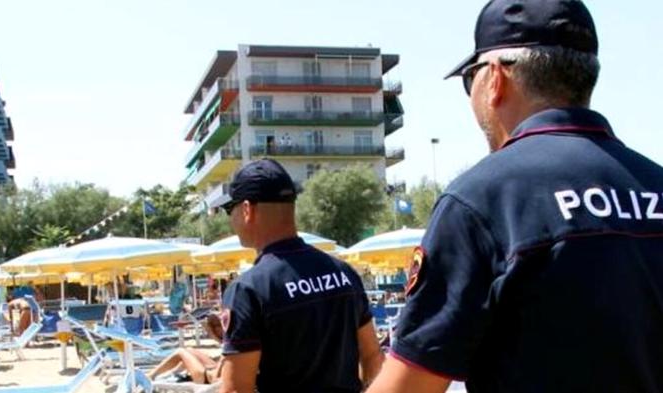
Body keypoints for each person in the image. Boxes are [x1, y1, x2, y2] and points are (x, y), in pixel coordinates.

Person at [367, 1, 663, 392]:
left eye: (468, 79)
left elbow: (407, 387)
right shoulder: (654, 184)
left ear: (494, 78)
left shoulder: (482, 200)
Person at [212, 158, 383, 393]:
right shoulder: (344, 273)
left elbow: (235, 390)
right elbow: (374, 357)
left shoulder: (248, 289)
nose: (230, 220)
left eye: (229, 210)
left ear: (247, 210)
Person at [148, 313, 225, 383]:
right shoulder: (231, 342)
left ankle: (150, 376)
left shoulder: (228, 346)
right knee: (189, 350)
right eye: (214, 326)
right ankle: (172, 373)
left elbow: (218, 375)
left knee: (181, 352)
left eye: (218, 326)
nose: (216, 329)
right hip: (212, 372)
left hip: (205, 378)